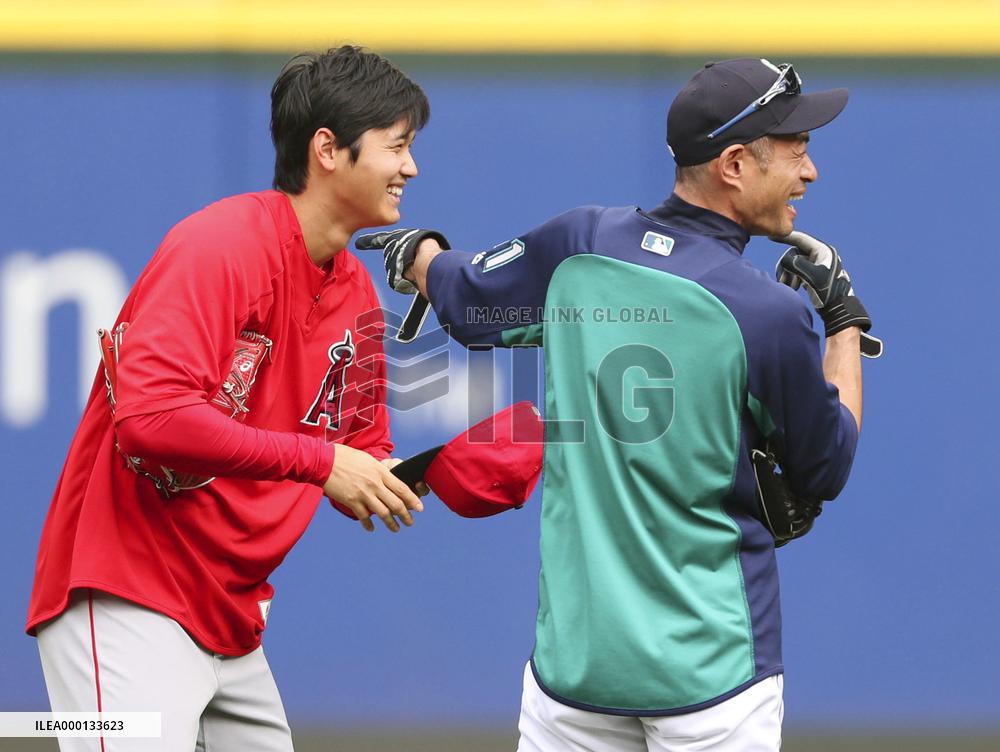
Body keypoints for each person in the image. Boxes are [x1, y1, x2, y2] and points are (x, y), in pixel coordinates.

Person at [363, 58, 875, 751]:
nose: (808, 171)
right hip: (712, 681)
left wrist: (419, 252)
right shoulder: (768, 314)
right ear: (733, 164)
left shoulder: (579, 247)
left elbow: (464, 297)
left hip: (574, 677)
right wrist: (842, 321)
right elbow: (828, 466)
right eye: (795, 149)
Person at [26, 45, 427, 751]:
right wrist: (319, 461)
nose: (410, 168)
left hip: (231, 621)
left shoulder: (356, 291)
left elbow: (363, 456)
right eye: (397, 146)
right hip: (126, 594)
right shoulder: (221, 244)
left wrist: (469, 468)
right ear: (328, 149)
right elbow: (149, 420)